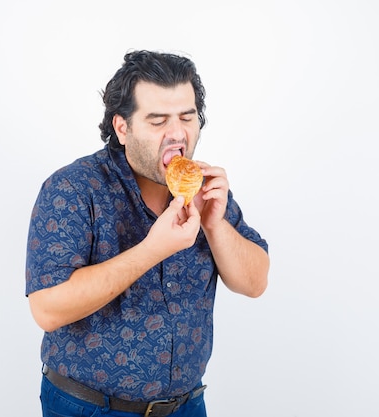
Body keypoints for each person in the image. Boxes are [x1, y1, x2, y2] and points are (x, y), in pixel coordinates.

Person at [25, 50, 270, 417]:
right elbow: (47, 310)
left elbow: (255, 282)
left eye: (187, 117)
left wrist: (215, 225)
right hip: (90, 408)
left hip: (187, 405)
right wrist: (152, 250)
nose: (177, 134)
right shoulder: (73, 189)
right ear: (122, 127)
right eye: (158, 121)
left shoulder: (201, 187)